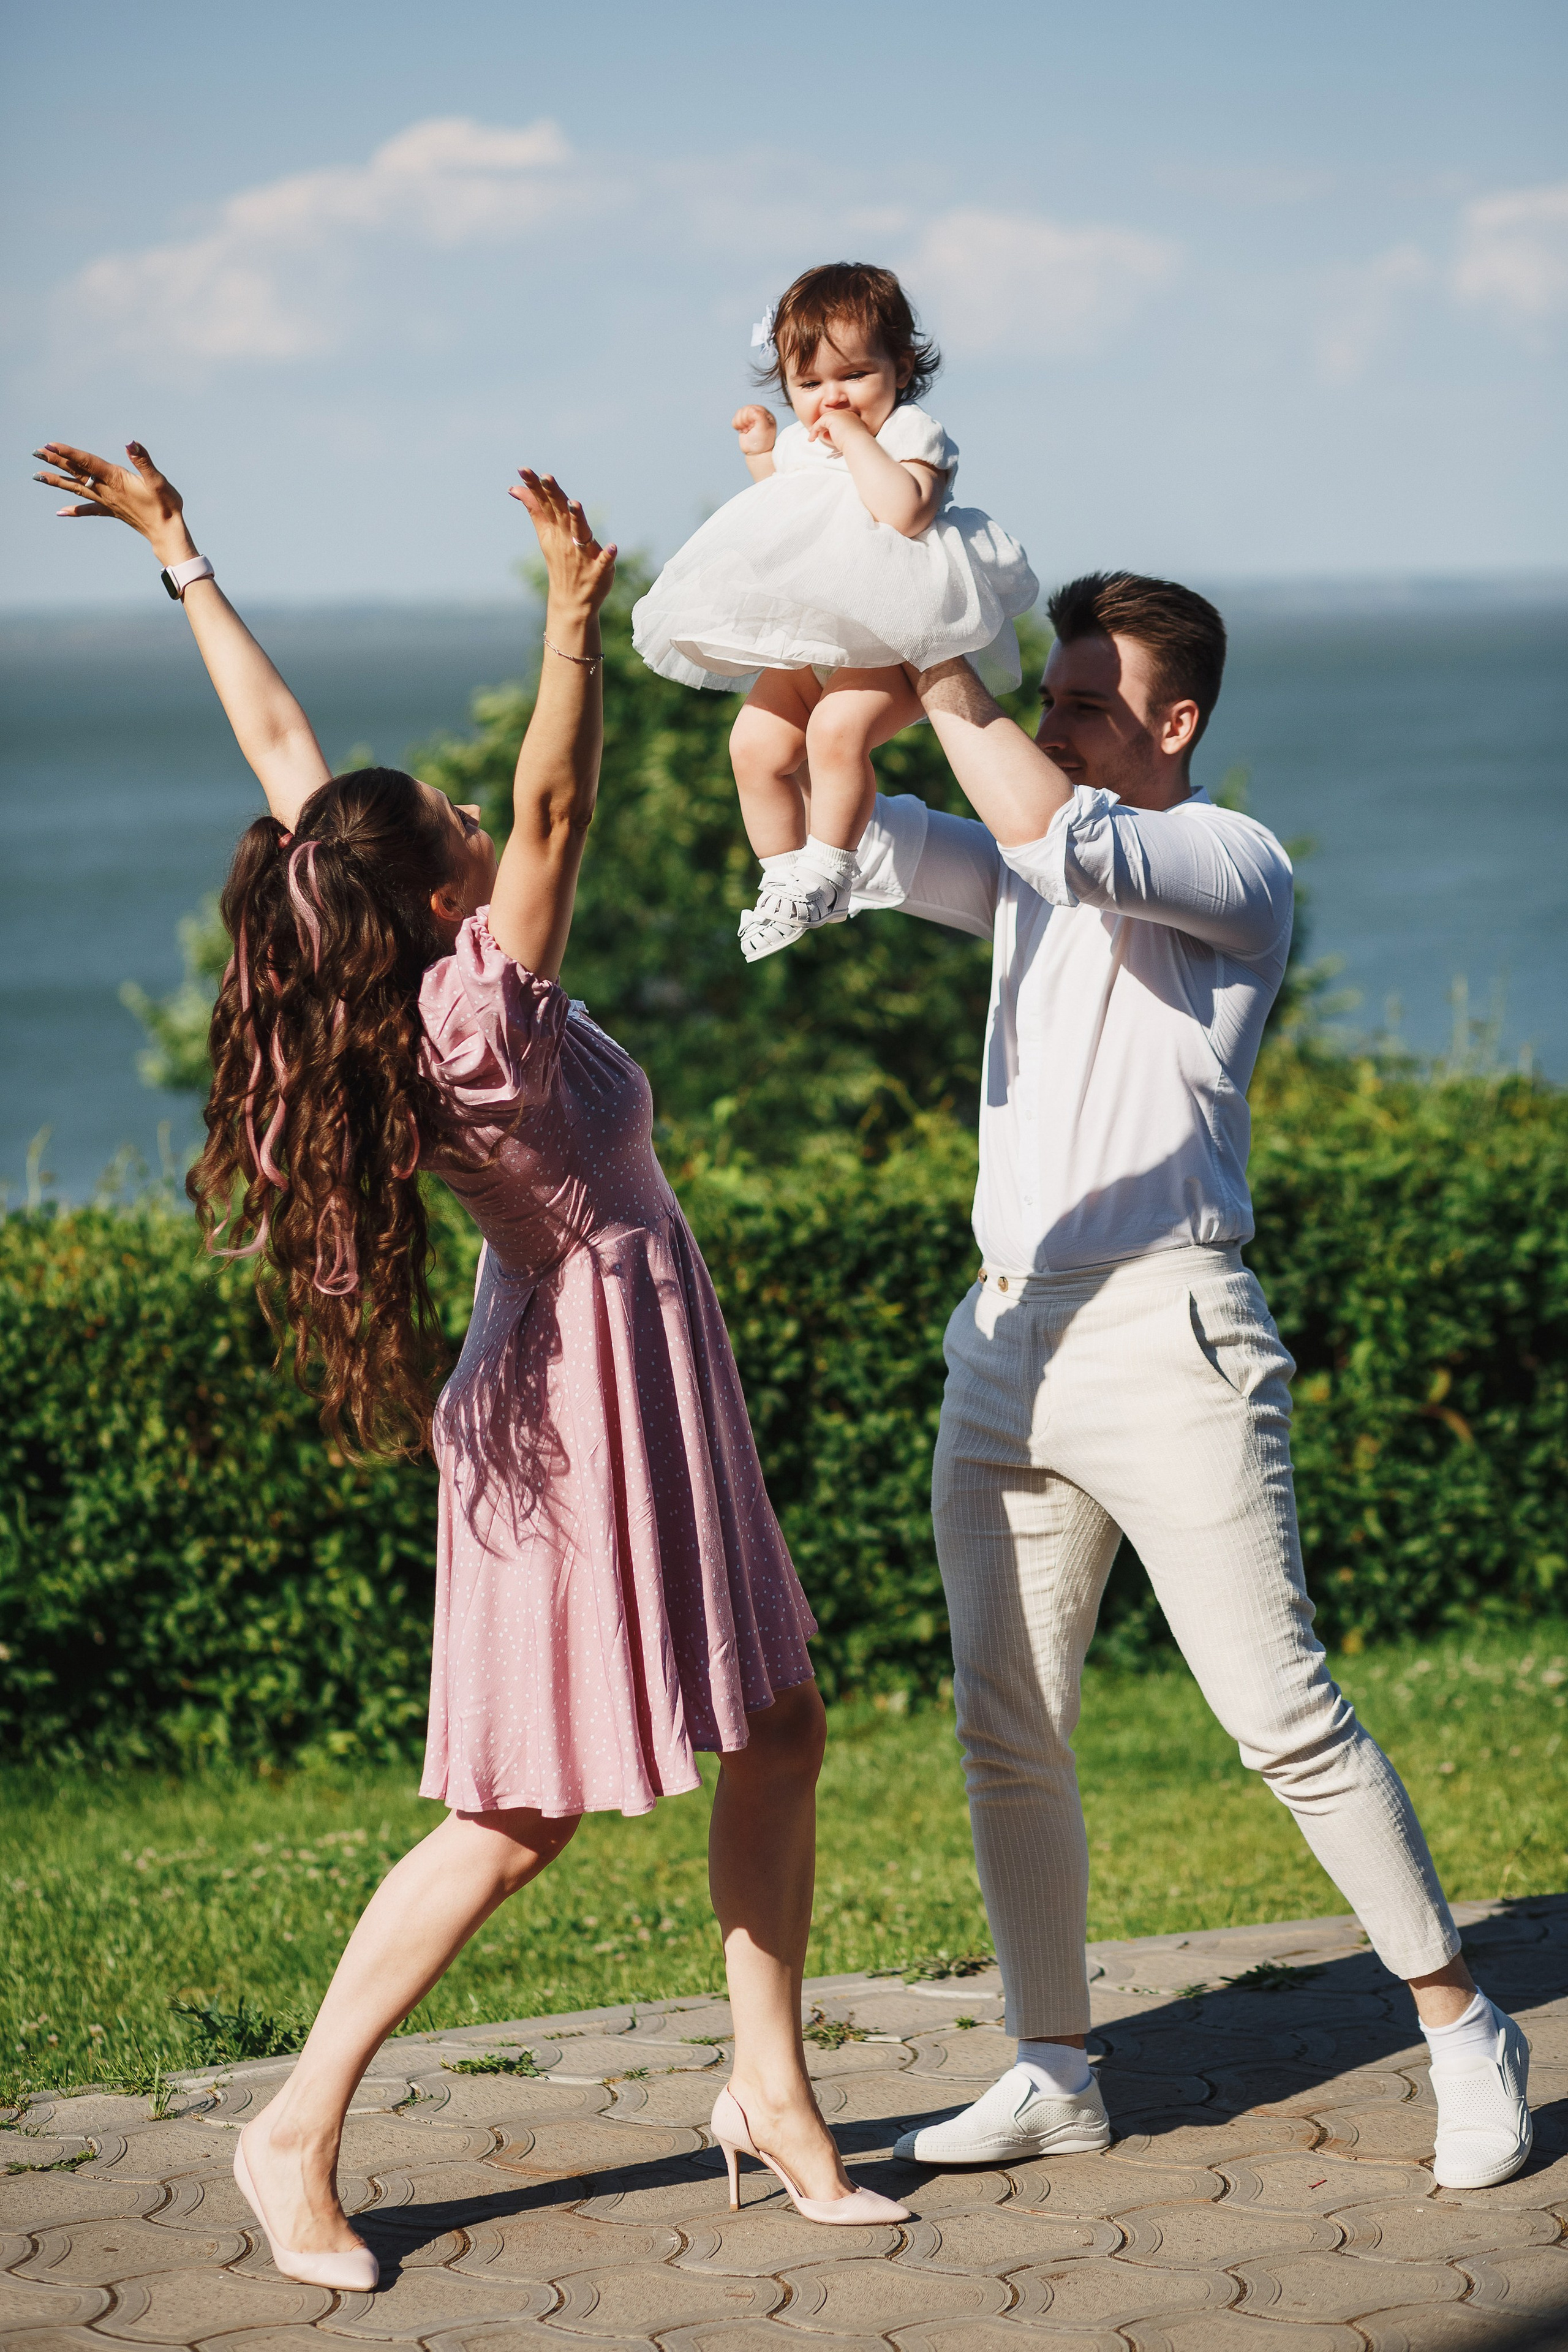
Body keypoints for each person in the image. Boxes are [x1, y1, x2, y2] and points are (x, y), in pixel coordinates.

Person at [30, 436, 908, 2290]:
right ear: (444, 898)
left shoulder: (382, 967)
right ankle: (292, 2124)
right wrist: (573, 628)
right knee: (518, 1810)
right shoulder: (481, 1012)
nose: (455, 803)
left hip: (600, 1363)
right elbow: (557, 811)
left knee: (777, 1723)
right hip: (590, 1395)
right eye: (442, 815)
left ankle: (769, 2090)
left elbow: (294, 774)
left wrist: (186, 561)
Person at [834, 571, 1531, 2196]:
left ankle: (1458, 2024)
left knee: (1280, 1711)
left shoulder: (1232, 860)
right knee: (1006, 1728)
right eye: (1052, 694)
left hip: (1172, 1339)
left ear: (1177, 721)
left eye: (1089, 701)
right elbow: (842, 823)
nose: (1059, 723)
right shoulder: (1023, 855)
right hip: (1007, 1345)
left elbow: (1061, 833)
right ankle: (1053, 2068)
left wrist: (945, 652)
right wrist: (835, 543)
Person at [631, 262, 1037, 961]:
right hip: (813, 633)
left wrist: (854, 440)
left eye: (852, 377)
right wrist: (764, 452)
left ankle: (829, 868)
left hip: (894, 635)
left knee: (834, 735)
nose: (831, 400)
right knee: (755, 745)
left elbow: (904, 512)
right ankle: (784, 878)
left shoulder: (912, 431)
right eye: (809, 385)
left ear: (901, 368)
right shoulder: (804, 440)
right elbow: (790, 512)